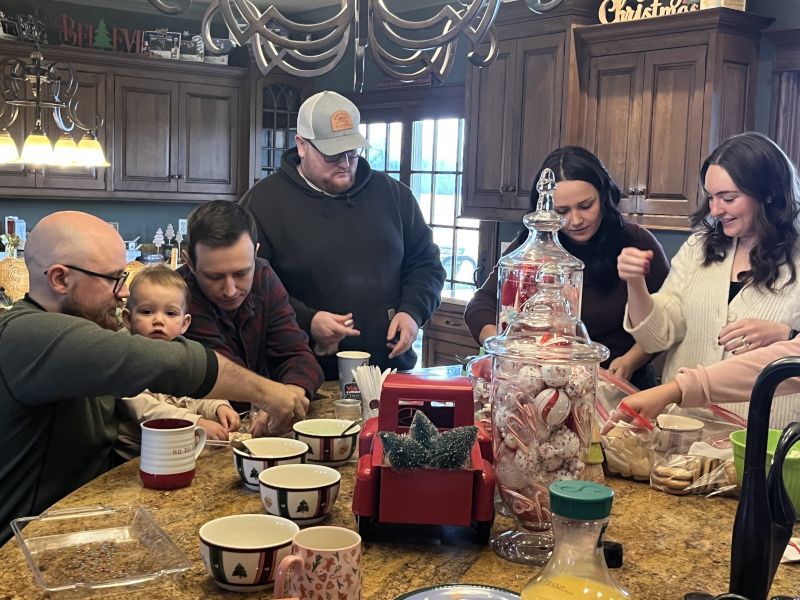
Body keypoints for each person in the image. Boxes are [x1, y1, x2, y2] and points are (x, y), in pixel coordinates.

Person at [0, 211, 309, 544]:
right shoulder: (29, 335)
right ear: (60, 279)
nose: (122, 293)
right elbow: (167, 363)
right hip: (22, 548)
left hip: (83, 525)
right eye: (114, 279)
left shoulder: (88, 327)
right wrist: (270, 393)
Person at [240, 91, 446, 380]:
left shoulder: (394, 195)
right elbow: (249, 286)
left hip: (390, 369)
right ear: (301, 145)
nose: (345, 163)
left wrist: (412, 312)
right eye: (332, 154)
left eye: (352, 152)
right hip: (299, 375)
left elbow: (427, 265)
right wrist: (307, 320)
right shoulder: (261, 203)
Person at [617, 131, 800, 423]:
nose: (715, 210)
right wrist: (635, 283)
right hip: (683, 430)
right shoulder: (698, 248)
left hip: (762, 439)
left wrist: (786, 335)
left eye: (728, 198)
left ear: (768, 193)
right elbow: (656, 338)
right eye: (711, 197)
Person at [465, 146, 669, 390]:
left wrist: (629, 362)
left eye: (585, 206)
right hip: (544, 387)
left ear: (604, 196)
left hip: (619, 384)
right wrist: (504, 351)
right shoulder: (533, 247)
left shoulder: (637, 244)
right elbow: (481, 305)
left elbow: (665, 322)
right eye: (561, 211)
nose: (575, 220)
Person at [178, 201, 324, 435]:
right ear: (190, 263)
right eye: (214, 277)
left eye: (241, 273)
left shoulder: (263, 276)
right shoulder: (176, 298)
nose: (230, 290)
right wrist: (271, 398)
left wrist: (293, 392)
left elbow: (297, 354)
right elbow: (223, 375)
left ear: (255, 253)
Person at [115, 265, 241, 461]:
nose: (158, 320)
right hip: (137, 458)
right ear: (127, 319)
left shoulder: (184, 355)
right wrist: (197, 422)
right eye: (147, 312)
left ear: (185, 323)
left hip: (183, 448)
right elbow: (148, 411)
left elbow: (198, 392)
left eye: (170, 314)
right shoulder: (124, 359)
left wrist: (218, 406)